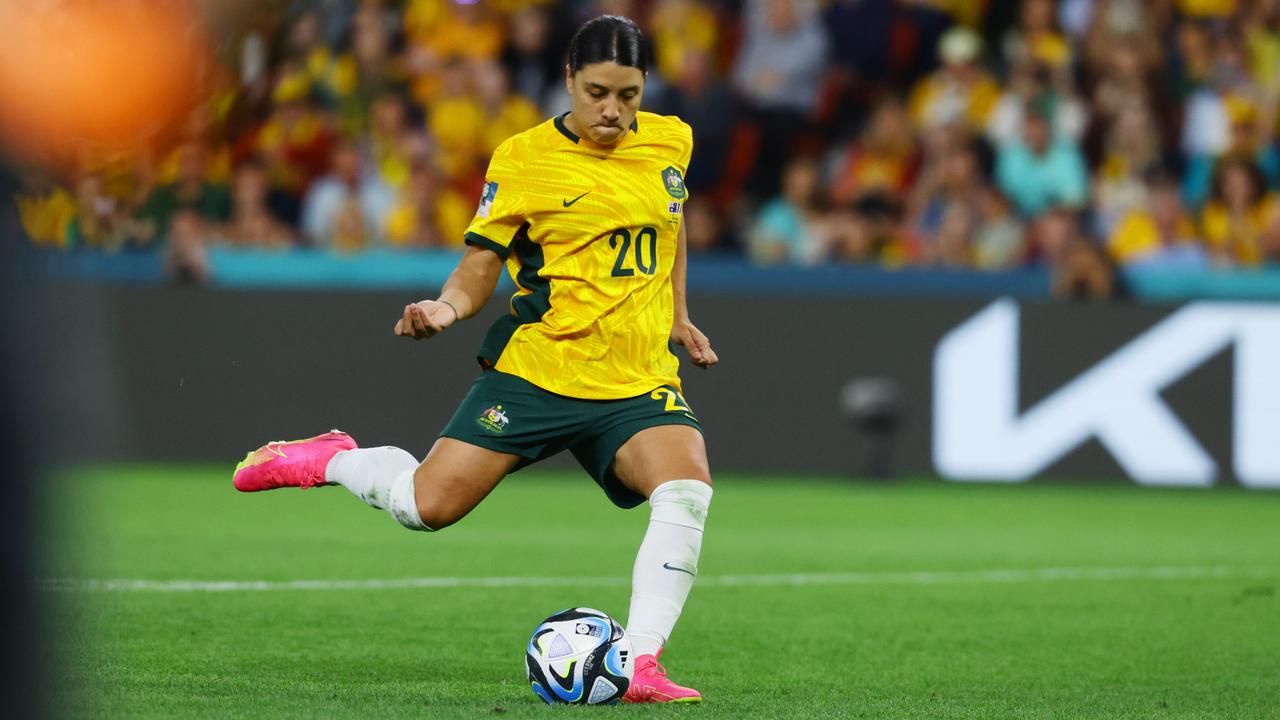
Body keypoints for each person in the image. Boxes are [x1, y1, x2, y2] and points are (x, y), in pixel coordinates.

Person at [231, 15, 718, 705]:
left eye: (630, 94)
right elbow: (479, 267)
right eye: (600, 92)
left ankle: (639, 664)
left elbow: (671, 226)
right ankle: (332, 458)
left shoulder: (672, 141)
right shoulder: (523, 159)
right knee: (424, 507)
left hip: (636, 380)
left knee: (686, 488)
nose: (614, 110)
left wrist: (677, 315)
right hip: (541, 372)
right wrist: (446, 309)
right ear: (570, 80)